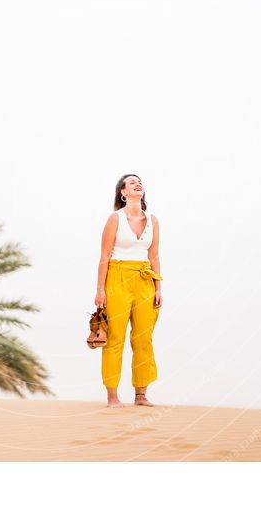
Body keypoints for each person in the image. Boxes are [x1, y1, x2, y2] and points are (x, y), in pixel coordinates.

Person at [95, 174, 163, 408]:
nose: (138, 184)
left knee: (144, 338)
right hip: (117, 277)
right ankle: (112, 397)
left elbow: (154, 256)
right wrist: (100, 290)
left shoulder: (153, 220)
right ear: (123, 193)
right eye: (132, 182)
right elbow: (104, 255)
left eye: (140, 182)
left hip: (144, 278)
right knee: (114, 338)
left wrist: (158, 287)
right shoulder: (115, 219)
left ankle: (141, 395)